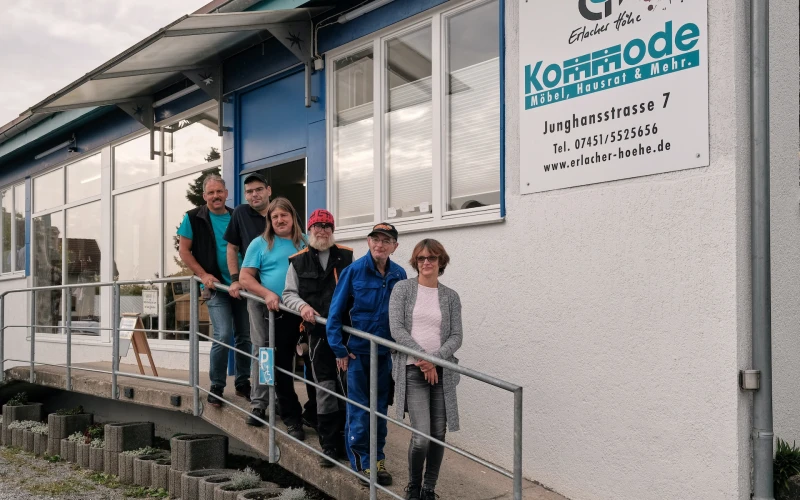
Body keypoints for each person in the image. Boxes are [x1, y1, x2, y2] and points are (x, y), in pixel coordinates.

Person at [327, 222, 407, 485]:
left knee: (380, 410)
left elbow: (403, 317)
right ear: (368, 242)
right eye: (375, 239)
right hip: (357, 355)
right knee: (360, 412)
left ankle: (377, 460)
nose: (379, 245)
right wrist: (339, 349)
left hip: (385, 355)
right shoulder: (353, 272)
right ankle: (361, 464)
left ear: (394, 246)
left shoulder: (399, 274)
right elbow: (335, 314)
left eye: (386, 241)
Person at [389, 239, 462, 500]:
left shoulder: (450, 296)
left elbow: (456, 336)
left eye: (432, 258)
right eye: (421, 258)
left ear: (441, 261)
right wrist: (423, 360)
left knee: (438, 434)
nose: (426, 262)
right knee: (421, 436)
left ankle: (429, 489)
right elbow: (396, 329)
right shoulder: (403, 289)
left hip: (442, 371)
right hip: (411, 370)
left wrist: (435, 361)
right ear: (415, 262)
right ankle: (413, 486)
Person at [283, 209, 353, 467]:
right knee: (325, 389)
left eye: (327, 226)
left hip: (345, 334)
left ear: (332, 230)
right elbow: (288, 294)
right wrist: (302, 307)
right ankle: (328, 445)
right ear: (308, 230)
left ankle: (347, 442)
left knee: (346, 388)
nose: (322, 230)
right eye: (317, 226)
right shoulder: (297, 261)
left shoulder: (347, 255)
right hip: (317, 335)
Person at [177, 174, 251, 407]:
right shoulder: (193, 218)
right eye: (211, 193)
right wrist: (203, 275)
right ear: (204, 196)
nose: (216, 196)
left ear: (226, 193)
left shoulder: (236, 216)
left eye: (219, 191)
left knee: (245, 336)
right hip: (215, 286)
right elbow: (185, 251)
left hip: (242, 285)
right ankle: (217, 385)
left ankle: (242, 383)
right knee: (222, 334)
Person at [239, 197, 309, 440]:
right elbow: (246, 278)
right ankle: (259, 403)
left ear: (292, 217)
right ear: (269, 220)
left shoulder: (304, 242)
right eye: (275, 216)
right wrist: (268, 294)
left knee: (286, 356)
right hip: (263, 307)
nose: (280, 220)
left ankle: (281, 400)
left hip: (293, 311)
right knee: (264, 352)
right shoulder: (260, 244)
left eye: (284, 215)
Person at [223, 172, 273, 423]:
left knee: (283, 349)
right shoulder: (241, 213)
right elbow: (231, 247)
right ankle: (260, 403)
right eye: (249, 191)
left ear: (268, 190)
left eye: (258, 190)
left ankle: (283, 401)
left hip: (285, 297)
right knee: (263, 347)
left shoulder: (281, 213)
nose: (254, 195)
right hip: (256, 293)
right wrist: (234, 279)